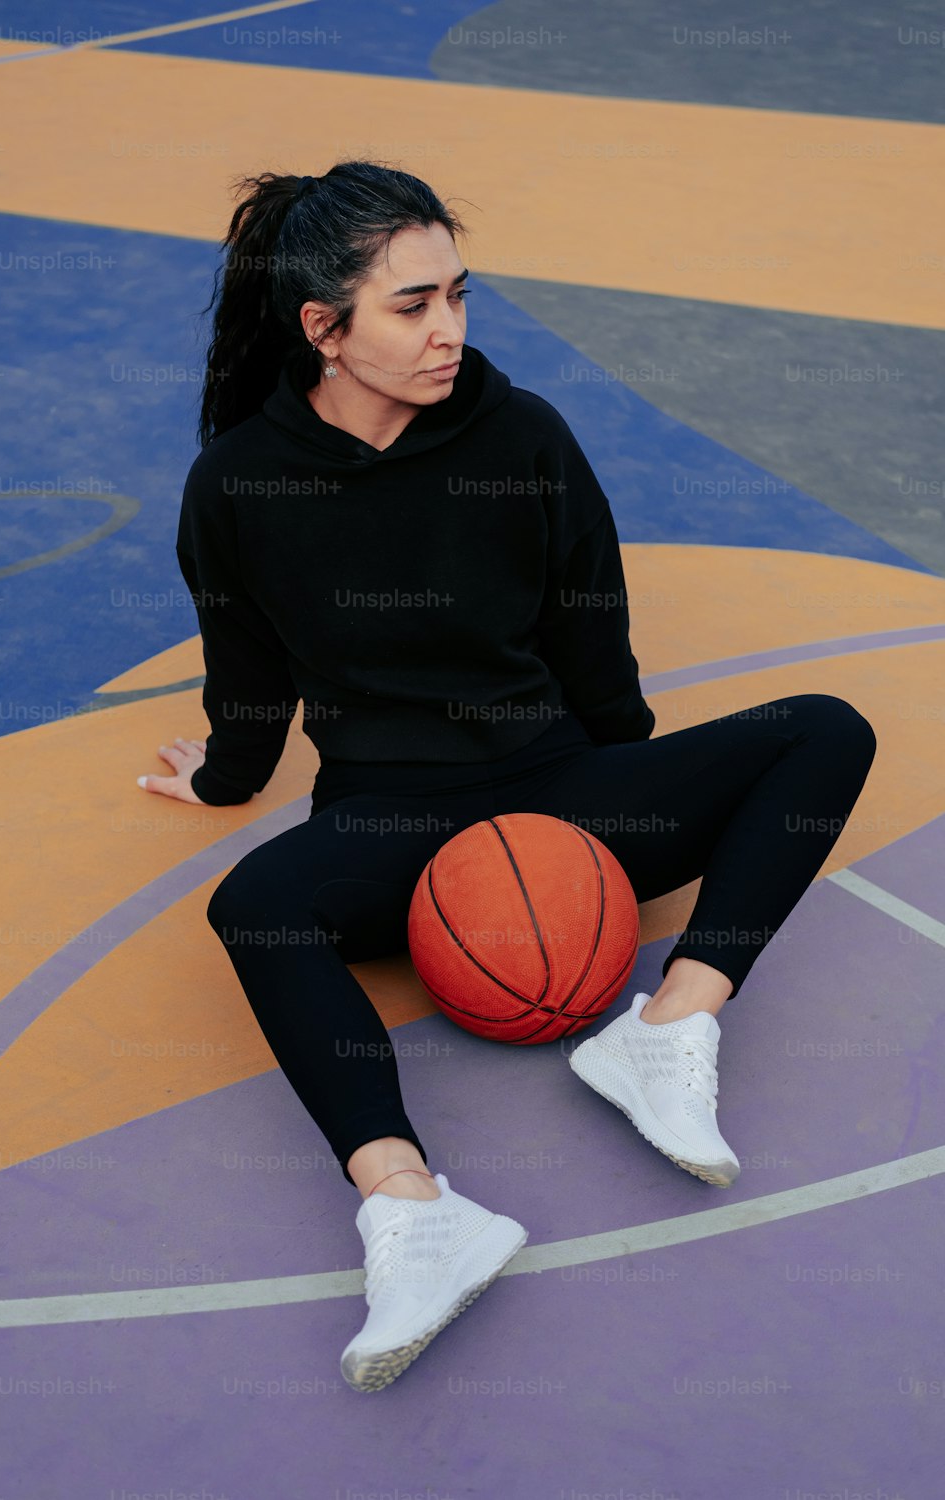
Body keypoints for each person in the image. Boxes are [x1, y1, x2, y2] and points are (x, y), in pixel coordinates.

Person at [137, 161, 877, 1392]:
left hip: (557, 787)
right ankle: (414, 1211)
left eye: (458, 297)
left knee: (828, 728)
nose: (449, 332)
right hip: (394, 819)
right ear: (323, 327)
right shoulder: (237, 487)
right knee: (252, 905)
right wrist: (221, 779)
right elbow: (248, 672)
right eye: (413, 306)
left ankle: (668, 1030)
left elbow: (595, 639)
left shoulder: (520, 434)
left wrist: (621, 821)